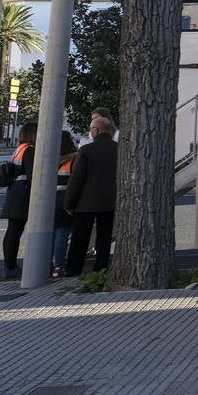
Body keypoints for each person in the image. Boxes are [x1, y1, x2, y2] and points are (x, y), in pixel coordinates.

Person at [64, 111, 119, 276]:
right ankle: (101, 268)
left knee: (80, 239)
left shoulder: (86, 150)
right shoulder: (120, 149)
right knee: (104, 238)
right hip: (110, 201)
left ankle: (73, 269)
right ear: (110, 131)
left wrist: (69, 202)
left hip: (85, 202)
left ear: (95, 131)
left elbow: (77, 179)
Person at [0, 122, 38, 279]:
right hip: (22, 195)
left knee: (12, 231)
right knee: (15, 232)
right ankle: (11, 267)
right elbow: (32, 175)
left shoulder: (19, 149)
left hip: (14, 193)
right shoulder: (29, 150)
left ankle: (9, 265)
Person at [50, 131, 79, 278]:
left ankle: (47, 263)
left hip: (49, 199)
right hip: (64, 197)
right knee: (63, 232)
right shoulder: (73, 159)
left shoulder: (48, 157)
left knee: (51, 233)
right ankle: (60, 266)